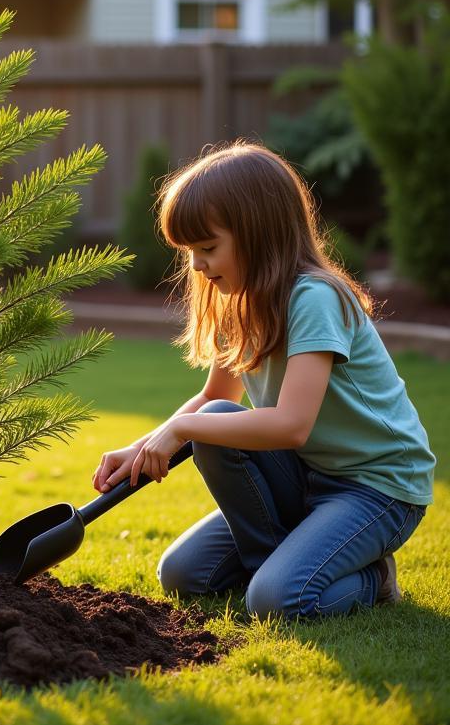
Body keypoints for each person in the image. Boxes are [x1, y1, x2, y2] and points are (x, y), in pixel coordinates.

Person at [92, 141, 434, 619]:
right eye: (190, 251)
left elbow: (291, 425)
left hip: (375, 487)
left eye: (208, 248)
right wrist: (144, 445)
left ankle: (372, 578)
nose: (196, 266)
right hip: (306, 474)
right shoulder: (243, 305)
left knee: (278, 600)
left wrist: (183, 431)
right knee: (184, 574)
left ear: (259, 234)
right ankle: (284, 562)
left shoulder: (315, 299)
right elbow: (215, 397)